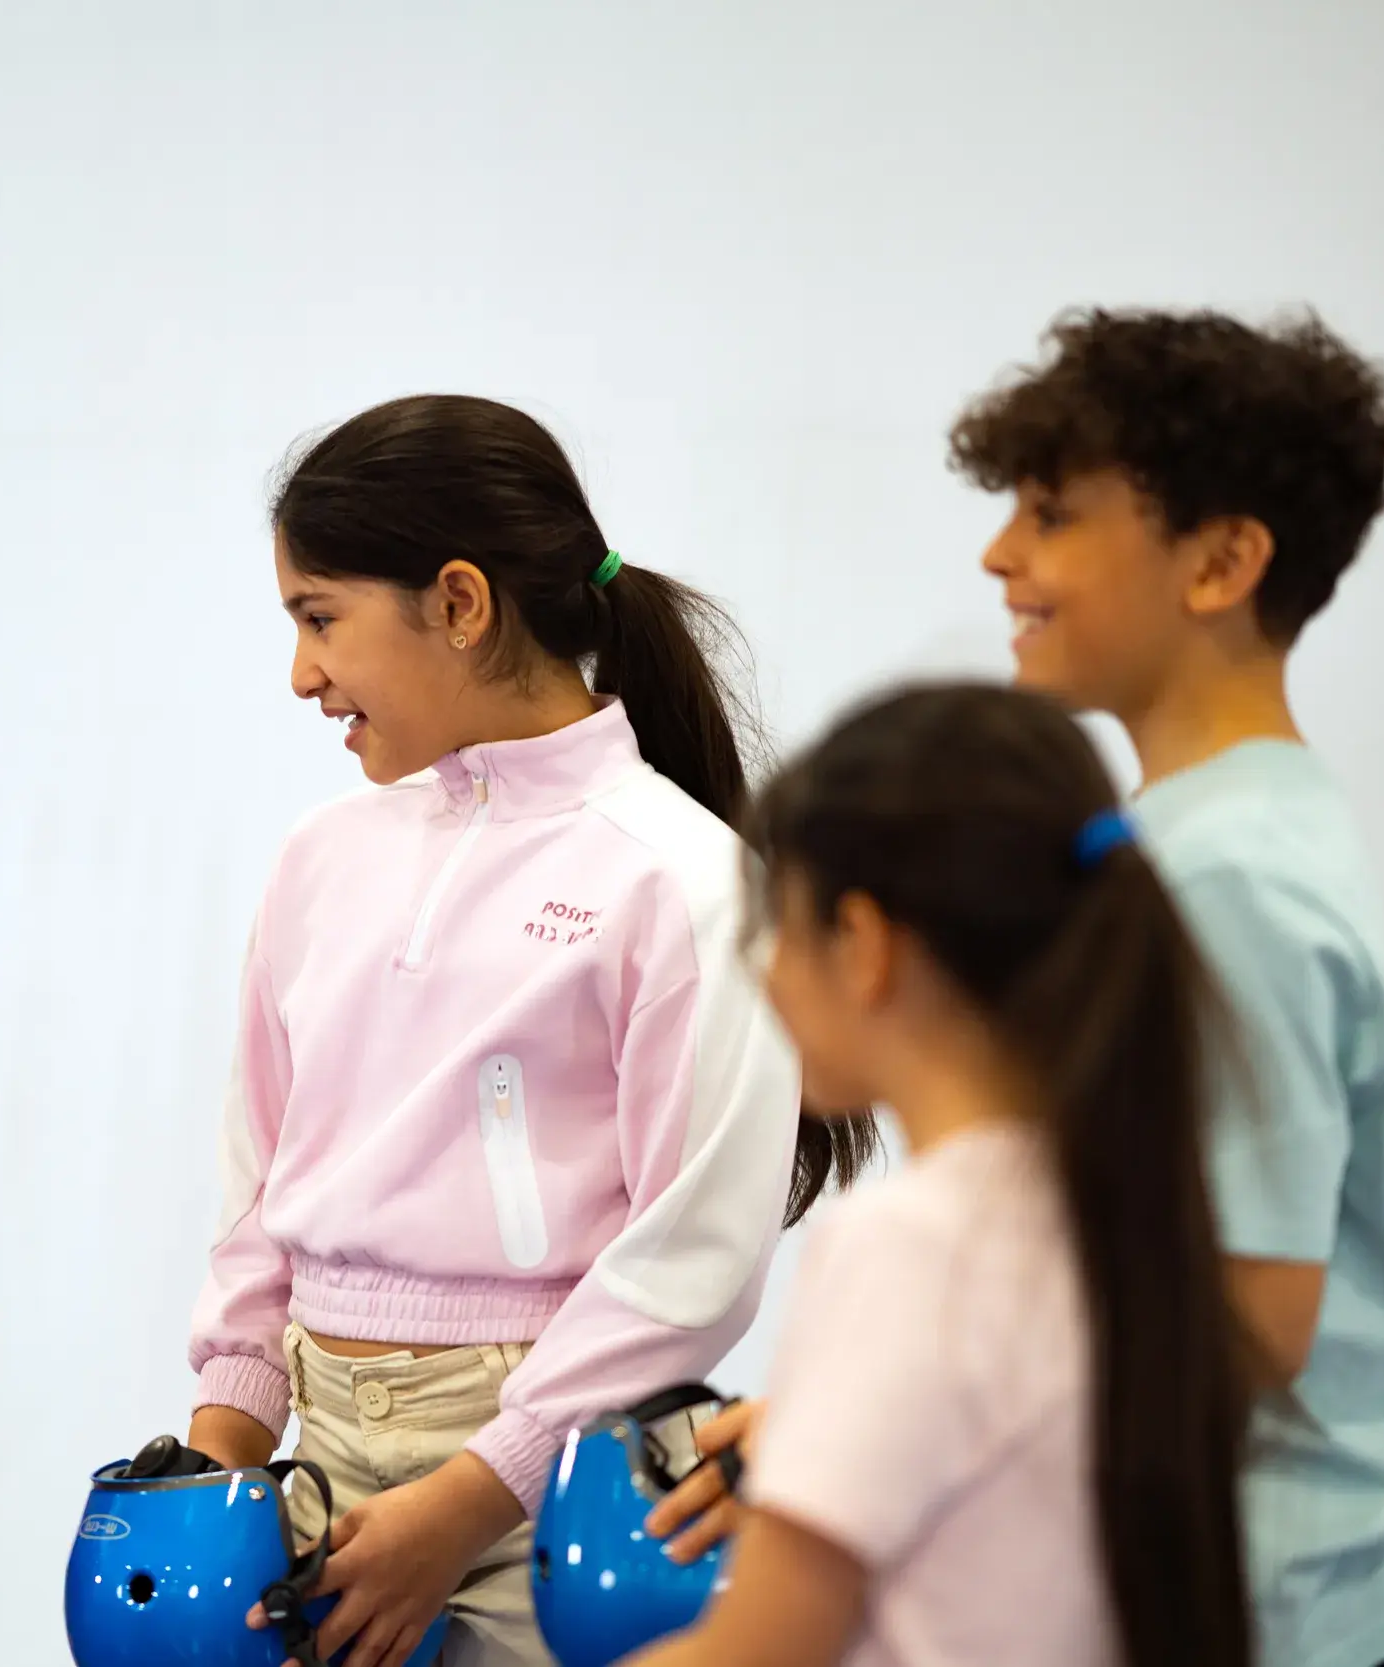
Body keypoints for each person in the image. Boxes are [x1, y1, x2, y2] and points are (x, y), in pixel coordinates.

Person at [184, 395, 874, 1667]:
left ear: (459, 601)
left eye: (318, 615)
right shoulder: (319, 858)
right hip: (308, 1471)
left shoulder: (683, 879)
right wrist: (216, 1448)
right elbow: (260, 1176)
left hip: (550, 1490)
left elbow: (693, 1257)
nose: (300, 673)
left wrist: (467, 1498)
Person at [947, 307, 1384, 1667]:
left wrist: (924, 1424)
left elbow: (1252, 1317)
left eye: (1051, 515)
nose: (1001, 555)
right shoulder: (1210, 829)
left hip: (1249, 1601)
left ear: (1223, 561)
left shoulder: (1228, 878)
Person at [630, 681, 1254, 1667]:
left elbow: (757, 1650)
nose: (765, 973)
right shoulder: (1110, 1205)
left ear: (865, 945)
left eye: (777, 929)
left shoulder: (908, 1243)